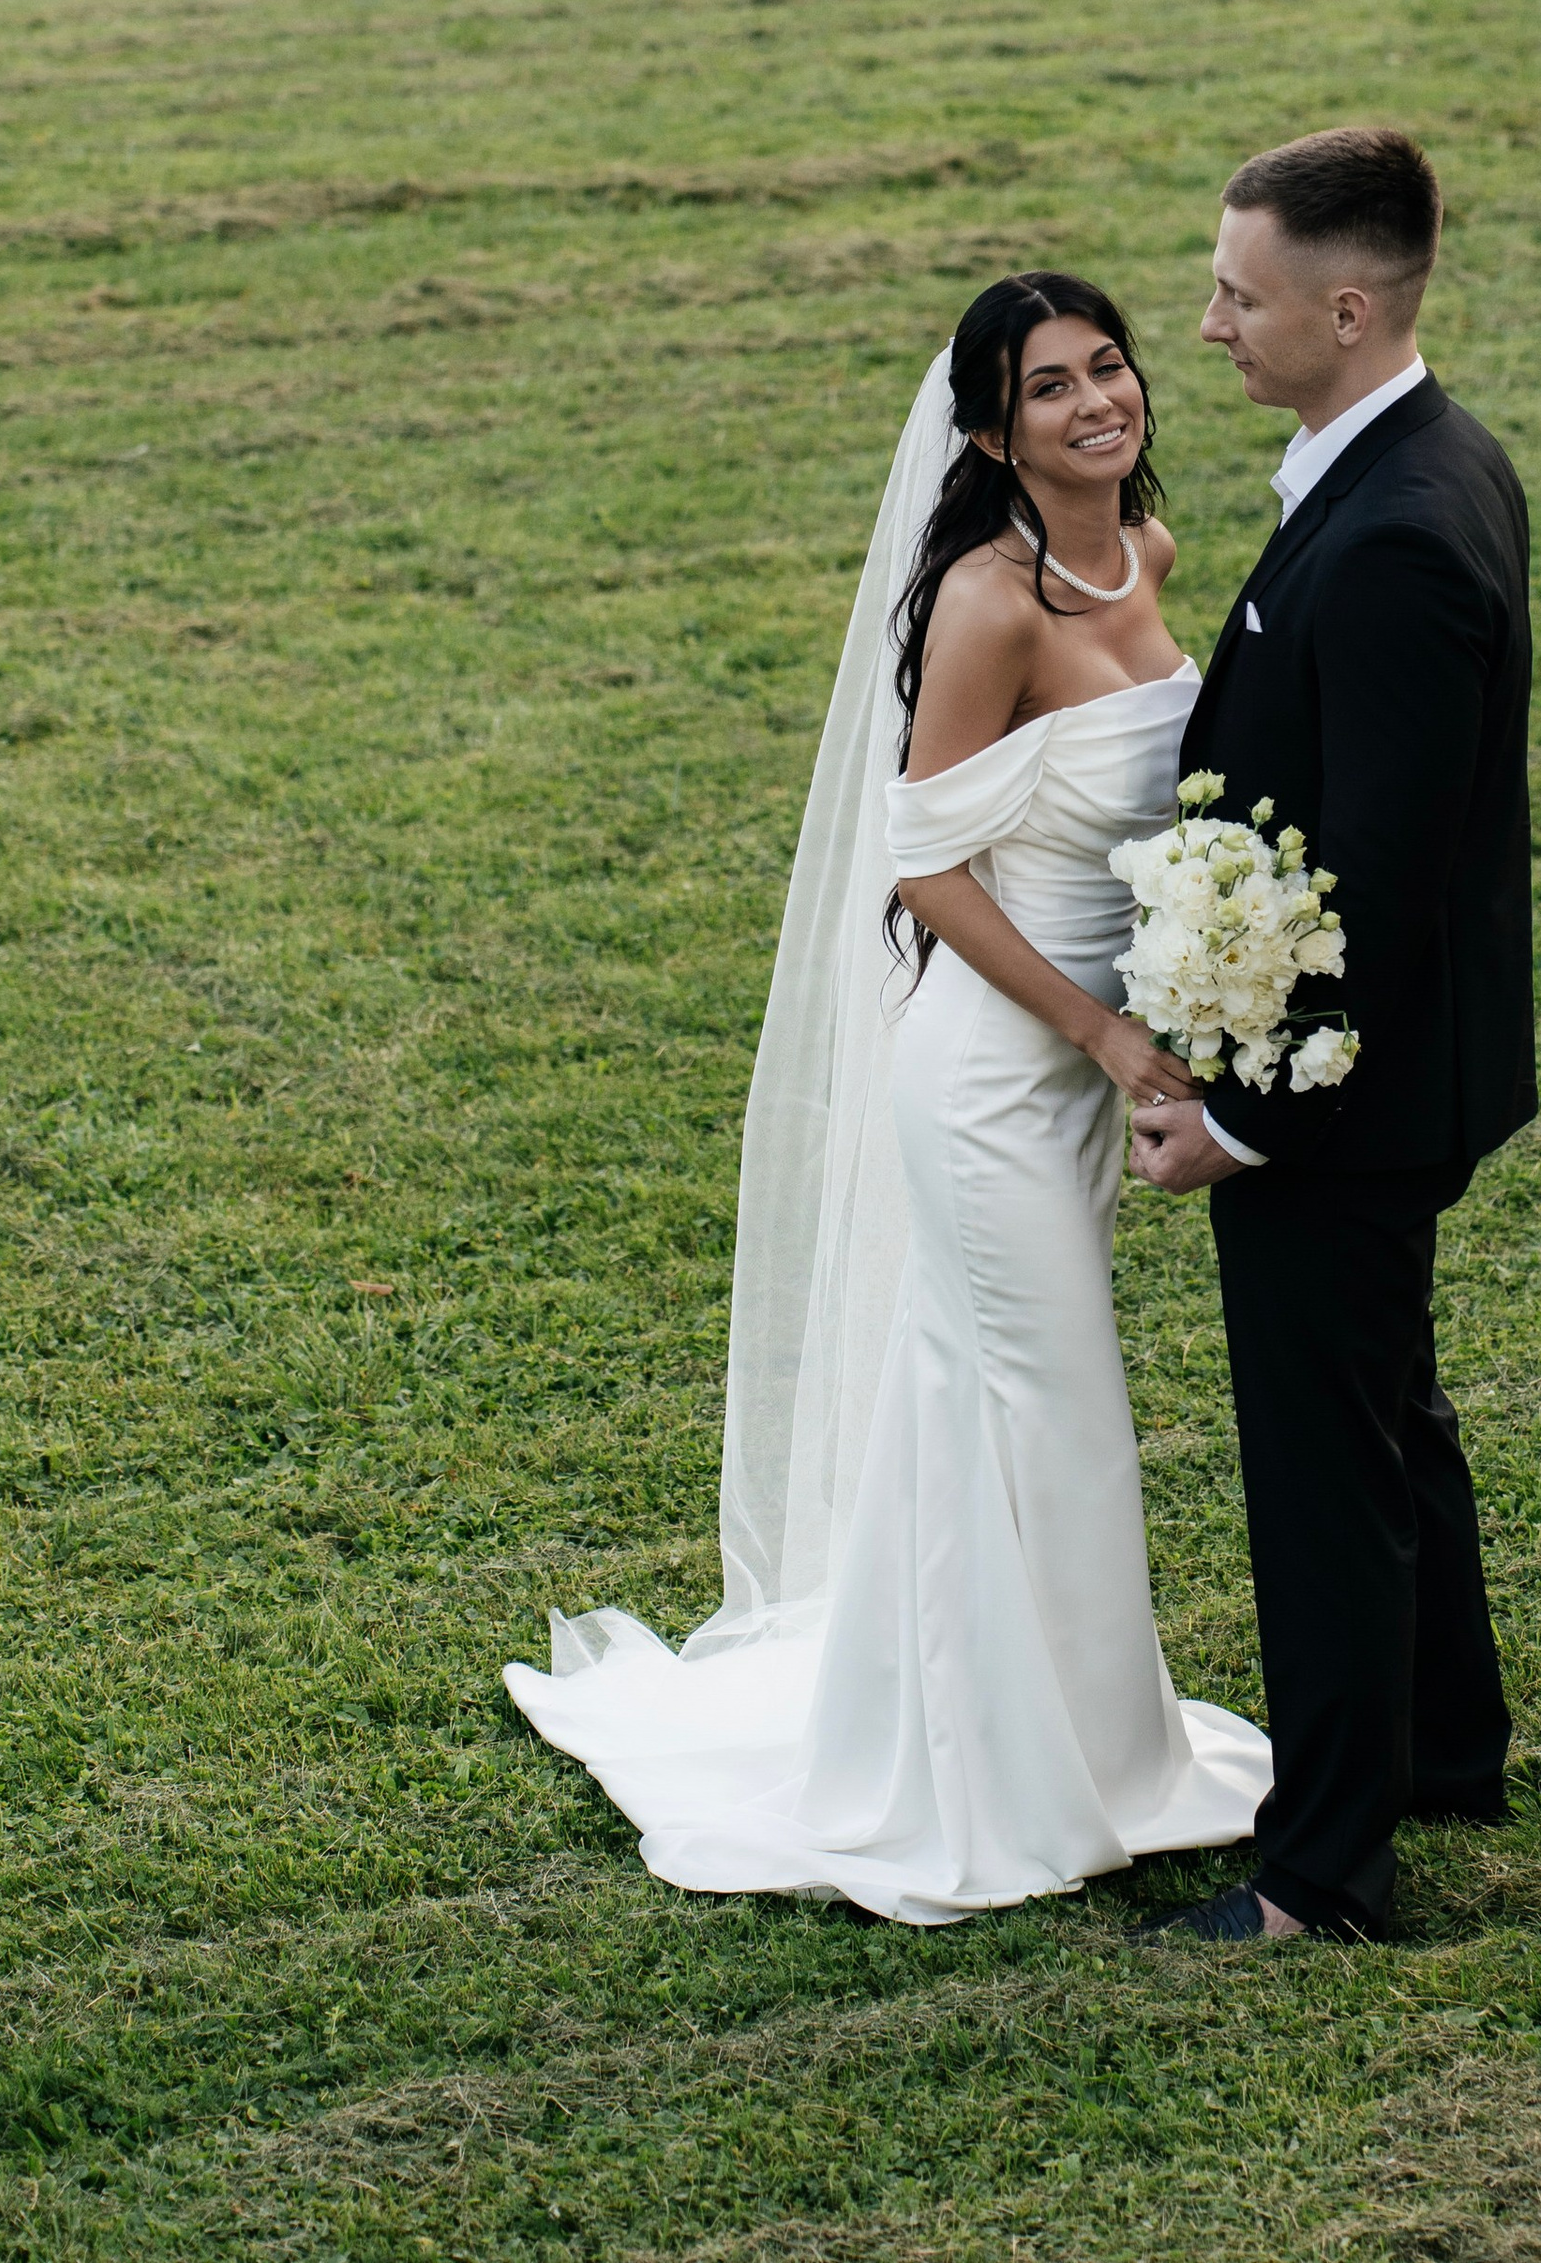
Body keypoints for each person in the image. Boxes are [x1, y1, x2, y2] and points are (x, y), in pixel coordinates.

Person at [503, 275, 1267, 1923]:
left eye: (1111, 367)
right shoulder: (992, 605)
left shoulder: (1147, 555)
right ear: (990, 433)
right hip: (998, 1070)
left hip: (1081, 1064)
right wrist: (1109, 1035)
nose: (1097, 403)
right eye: (1050, 387)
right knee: (1047, 1400)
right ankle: (1027, 1779)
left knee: (986, 1395)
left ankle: (1012, 1731)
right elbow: (926, 872)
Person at [1130, 126, 1533, 1944]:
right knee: (1387, 1416)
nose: (1206, 325)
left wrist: (1252, 1119)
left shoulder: (1400, 540)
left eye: (1239, 293)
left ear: (1347, 307)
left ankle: (1323, 1878)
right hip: (1381, 1084)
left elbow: (1384, 880)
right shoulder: (1403, 461)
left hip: (1346, 1100)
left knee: (1321, 1473)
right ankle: (1447, 1744)